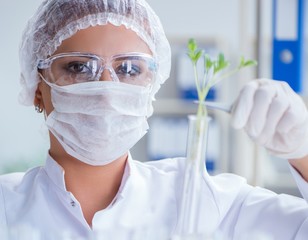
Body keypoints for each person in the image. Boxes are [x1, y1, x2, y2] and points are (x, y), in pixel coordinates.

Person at [1, 0, 308, 239]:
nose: (108, 90)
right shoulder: (5, 208)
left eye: (130, 69)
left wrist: (302, 150)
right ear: (37, 89)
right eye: (79, 67)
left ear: (152, 86)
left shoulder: (204, 201)